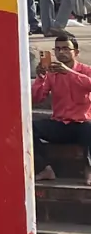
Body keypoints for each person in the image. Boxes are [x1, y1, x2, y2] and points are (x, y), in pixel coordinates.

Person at [32, 33, 91, 184]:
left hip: (82, 124)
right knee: (28, 127)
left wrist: (69, 72)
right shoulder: (52, 73)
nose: (61, 52)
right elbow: (37, 99)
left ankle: (89, 170)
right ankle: (43, 168)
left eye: (65, 48)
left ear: (76, 52)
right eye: (57, 49)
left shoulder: (86, 70)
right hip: (60, 124)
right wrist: (41, 77)